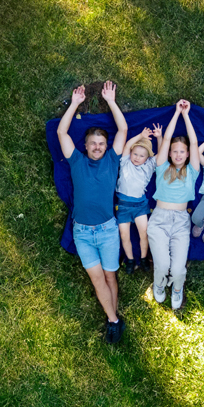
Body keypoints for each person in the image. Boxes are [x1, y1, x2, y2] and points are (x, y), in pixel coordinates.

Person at [57, 81, 128, 344]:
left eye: (101, 143)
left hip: (108, 230)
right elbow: (62, 133)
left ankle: (113, 318)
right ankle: (114, 320)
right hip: (83, 233)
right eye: (93, 143)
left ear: (106, 146)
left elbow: (123, 129)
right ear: (85, 146)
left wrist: (111, 101)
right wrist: (75, 103)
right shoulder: (76, 160)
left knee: (110, 275)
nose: (97, 147)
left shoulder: (112, 159)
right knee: (98, 279)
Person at [147, 99, 200, 310]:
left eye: (182, 152)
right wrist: (177, 113)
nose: (178, 154)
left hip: (180, 222)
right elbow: (166, 138)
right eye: (174, 151)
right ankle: (159, 285)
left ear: (187, 154)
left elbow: (195, 143)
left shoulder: (192, 172)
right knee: (162, 265)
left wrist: (187, 116)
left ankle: (177, 288)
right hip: (159, 218)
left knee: (178, 270)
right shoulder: (161, 167)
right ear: (169, 152)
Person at [116, 124, 163, 274]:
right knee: (124, 235)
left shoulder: (149, 166)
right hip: (123, 205)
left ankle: (143, 258)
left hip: (139, 206)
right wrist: (140, 136)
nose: (137, 158)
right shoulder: (125, 162)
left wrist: (160, 138)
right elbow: (128, 145)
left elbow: (162, 154)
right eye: (135, 154)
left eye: (141, 156)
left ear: (147, 157)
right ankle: (129, 259)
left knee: (144, 233)